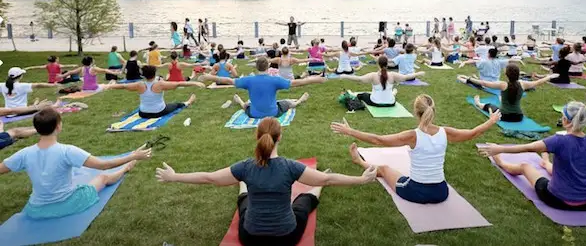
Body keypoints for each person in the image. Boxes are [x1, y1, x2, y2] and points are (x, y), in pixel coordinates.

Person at [155, 117, 377, 246]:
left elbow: (210, 178)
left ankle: (242, 183)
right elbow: (328, 179)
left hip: (249, 238)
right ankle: (309, 189)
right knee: (303, 200)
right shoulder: (291, 167)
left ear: (257, 136)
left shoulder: (246, 166)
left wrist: (174, 176)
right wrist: (361, 179)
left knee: (244, 200)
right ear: (280, 137)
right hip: (286, 237)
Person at [331, 94, 502, 204]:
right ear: (433, 110)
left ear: (416, 112)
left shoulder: (413, 136)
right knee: (397, 172)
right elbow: (472, 133)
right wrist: (491, 120)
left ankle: (359, 161)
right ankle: (360, 161)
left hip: (415, 191)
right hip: (441, 192)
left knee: (384, 169)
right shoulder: (445, 132)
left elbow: (378, 140)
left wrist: (350, 131)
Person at [478, 102, 586, 211]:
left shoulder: (559, 141)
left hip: (558, 199)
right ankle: (545, 164)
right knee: (560, 169)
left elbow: (528, 148)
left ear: (566, 121)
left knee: (525, 166)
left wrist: (498, 149)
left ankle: (500, 161)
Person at [1, 108, 151, 219]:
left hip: (35, 209)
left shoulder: (24, 153)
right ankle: (125, 168)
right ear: (58, 126)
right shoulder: (67, 151)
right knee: (102, 178)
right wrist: (132, 156)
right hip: (66, 204)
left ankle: (127, 164)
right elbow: (104, 165)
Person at [202, 57, 325, 118]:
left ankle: (239, 100)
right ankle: (300, 100)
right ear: (268, 67)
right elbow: (297, 83)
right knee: (289, 103)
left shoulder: (249, 80)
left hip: (254, 114)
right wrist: (316, 79)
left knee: (246, 105)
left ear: (256, 67)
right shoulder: (275, 80)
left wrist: (209, 77)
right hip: (273, 113)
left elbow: (228, 80)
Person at [457, 64, 555, 122]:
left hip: (504, 116)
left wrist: (470, 79)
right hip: (519, 117)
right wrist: (549, 77)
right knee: (501, 99)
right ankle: (492, 103)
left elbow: (484, 83)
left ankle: (478, 103)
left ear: (506, 74)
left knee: (489, 105)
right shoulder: (523, 84)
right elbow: (538, 82)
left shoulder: (503, 85)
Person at [107, 65, 204, 118]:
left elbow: (123, 86)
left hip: (143, 113)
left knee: (167, 104)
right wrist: (194, 83)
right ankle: (188, 102)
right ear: (154, 74)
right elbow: (178, 84)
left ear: (144, 76)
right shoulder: (160, 84)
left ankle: (187, 102)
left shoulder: (139, 84)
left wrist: (109, 86)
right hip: (158, 112)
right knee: (176, 105)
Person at [337, 56, 424, 107]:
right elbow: (406, 77)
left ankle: (393, 93)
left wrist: (345, 76)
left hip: (376, 102)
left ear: (378, 65)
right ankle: (393, 93)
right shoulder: (393, 75)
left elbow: (359, 79)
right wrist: (418, 74)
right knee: (388, 92)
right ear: (387, 64)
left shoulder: (373, 75)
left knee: (362, 95)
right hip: (391, 103)